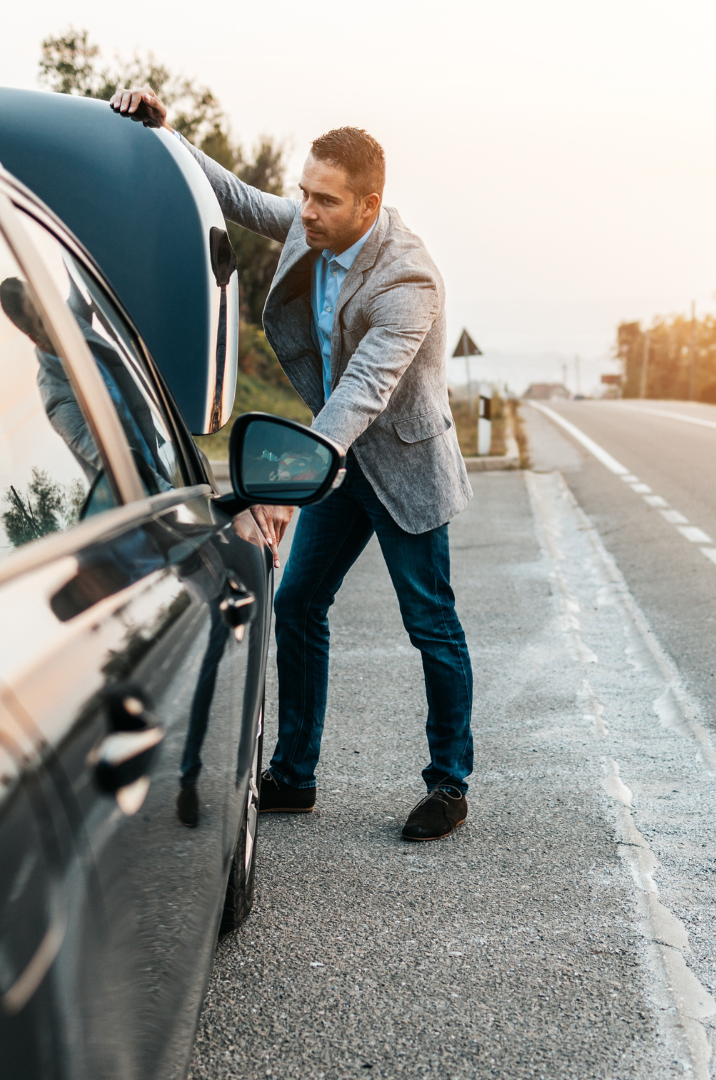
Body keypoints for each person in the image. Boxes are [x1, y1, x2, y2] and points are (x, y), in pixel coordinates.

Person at [111, 88, 474, 841]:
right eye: (305, 194)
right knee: (298, 603)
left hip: (400, 465)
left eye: (325, 201)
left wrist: (290, 478)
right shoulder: (316, 226)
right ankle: (295, 774)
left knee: (429, 623)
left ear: (369, 205)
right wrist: (163, 134)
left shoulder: (409, 280)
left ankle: (449, 784)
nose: (305, 211)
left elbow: (364, 390)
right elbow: (240, 197)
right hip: (341, 466)